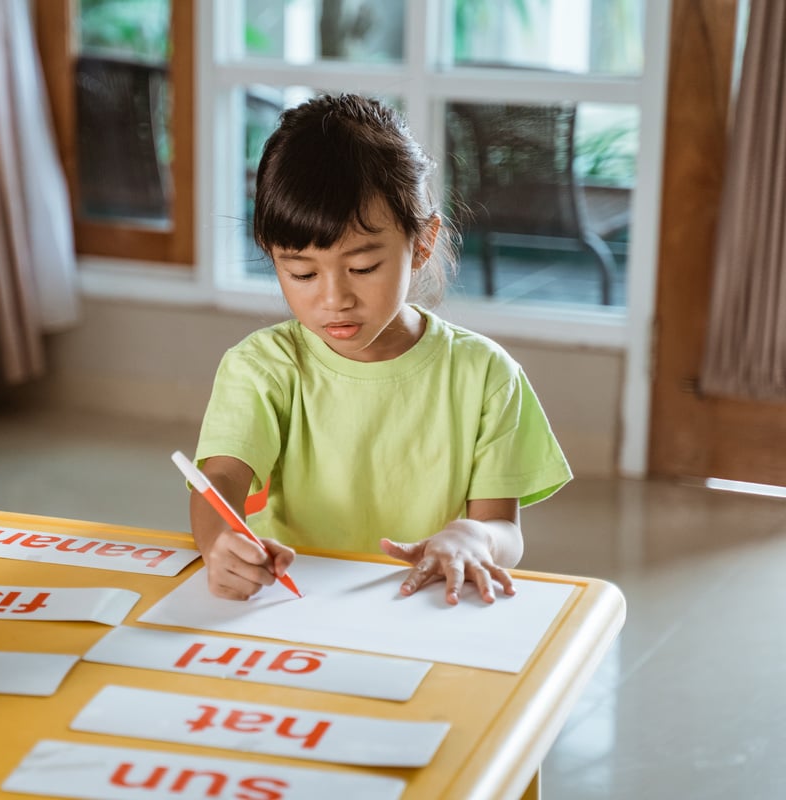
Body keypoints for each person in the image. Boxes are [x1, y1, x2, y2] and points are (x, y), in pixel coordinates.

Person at [188, 93, 572, 606]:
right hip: (290, 606)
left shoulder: (484, 375)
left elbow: (502, 528)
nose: (334, 299)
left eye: (363, 267)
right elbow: (218, 479)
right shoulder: (262, 368)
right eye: (301, 272)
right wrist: (219, 543)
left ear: (423, 242)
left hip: (425, 607)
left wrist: (473, 538)